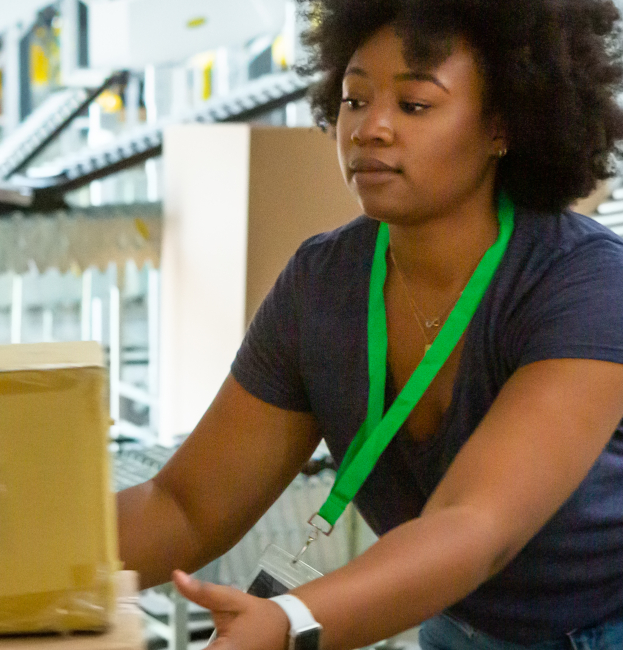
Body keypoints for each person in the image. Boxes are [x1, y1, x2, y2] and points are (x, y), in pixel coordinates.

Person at [116, 1, 623, 648]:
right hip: (459, 623)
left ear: (502, 125)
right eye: (355, 100)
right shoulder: (322, 285)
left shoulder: (585, 285)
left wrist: (291, 621)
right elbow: (182, 508)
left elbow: (475, 526)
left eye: (414, 105)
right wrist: (6, 558)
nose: (370, 128)